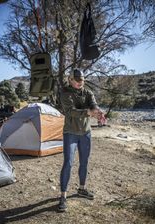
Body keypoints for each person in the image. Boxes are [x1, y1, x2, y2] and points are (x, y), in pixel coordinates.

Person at [58, 68, 105, 212]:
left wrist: (97, 112)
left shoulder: (88, 92)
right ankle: (63, 196)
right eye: (77, 80)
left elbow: (93, 104)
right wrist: (88, 112)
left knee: (84, 162)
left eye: (82, 80)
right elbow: (70, 111)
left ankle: (82, 189)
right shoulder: (65, 93)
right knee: (68, 163)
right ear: (70, 79)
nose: (80, 83)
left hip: (86, 133)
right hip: (70, 133)